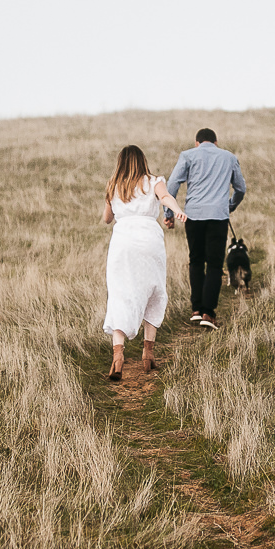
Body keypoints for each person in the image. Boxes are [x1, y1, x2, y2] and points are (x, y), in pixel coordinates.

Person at [101, 145, 182, 381]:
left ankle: (118, 355)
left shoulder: (114, 184)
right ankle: (148, 353)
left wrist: (117, 205)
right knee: (153, 290)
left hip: (123, 243)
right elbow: (165, 197)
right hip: (149, 240)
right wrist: (176, 210)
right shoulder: (154, 181)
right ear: (142, 161)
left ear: (120, 162)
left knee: (120, 293)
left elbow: (107, 219)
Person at [165, 127, 246, 330]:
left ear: (197, 143)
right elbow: (241, 188)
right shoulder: (229, 157)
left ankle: (196, 309)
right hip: (218, 217)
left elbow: (172, 183)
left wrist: (169, 213)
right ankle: (208, 313)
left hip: (193, 216)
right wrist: (230, 206)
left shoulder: (188, 155)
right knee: (215, 265)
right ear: (216, 142)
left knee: (196, 260)